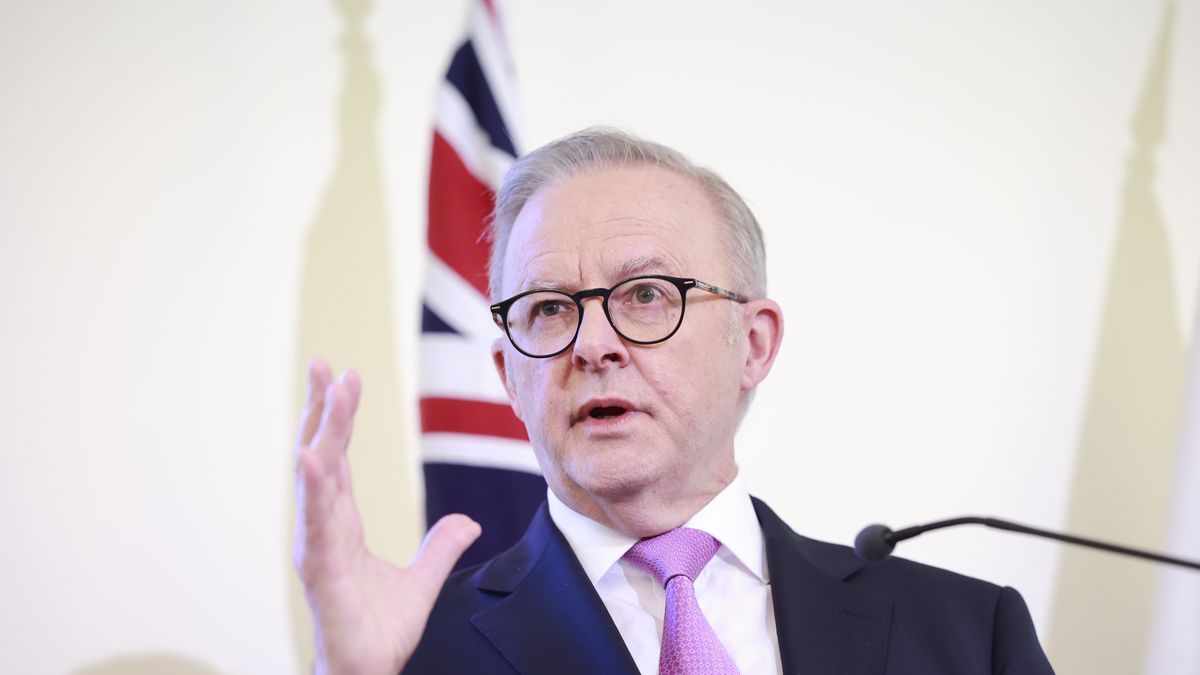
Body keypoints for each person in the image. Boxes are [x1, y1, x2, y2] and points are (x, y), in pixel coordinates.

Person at [294, 128, 1055, 674]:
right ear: (508, 376)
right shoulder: (419, 651)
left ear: (752, 344)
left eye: (647, 293)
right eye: (550, 309)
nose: (592, 342)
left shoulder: (967, 635)